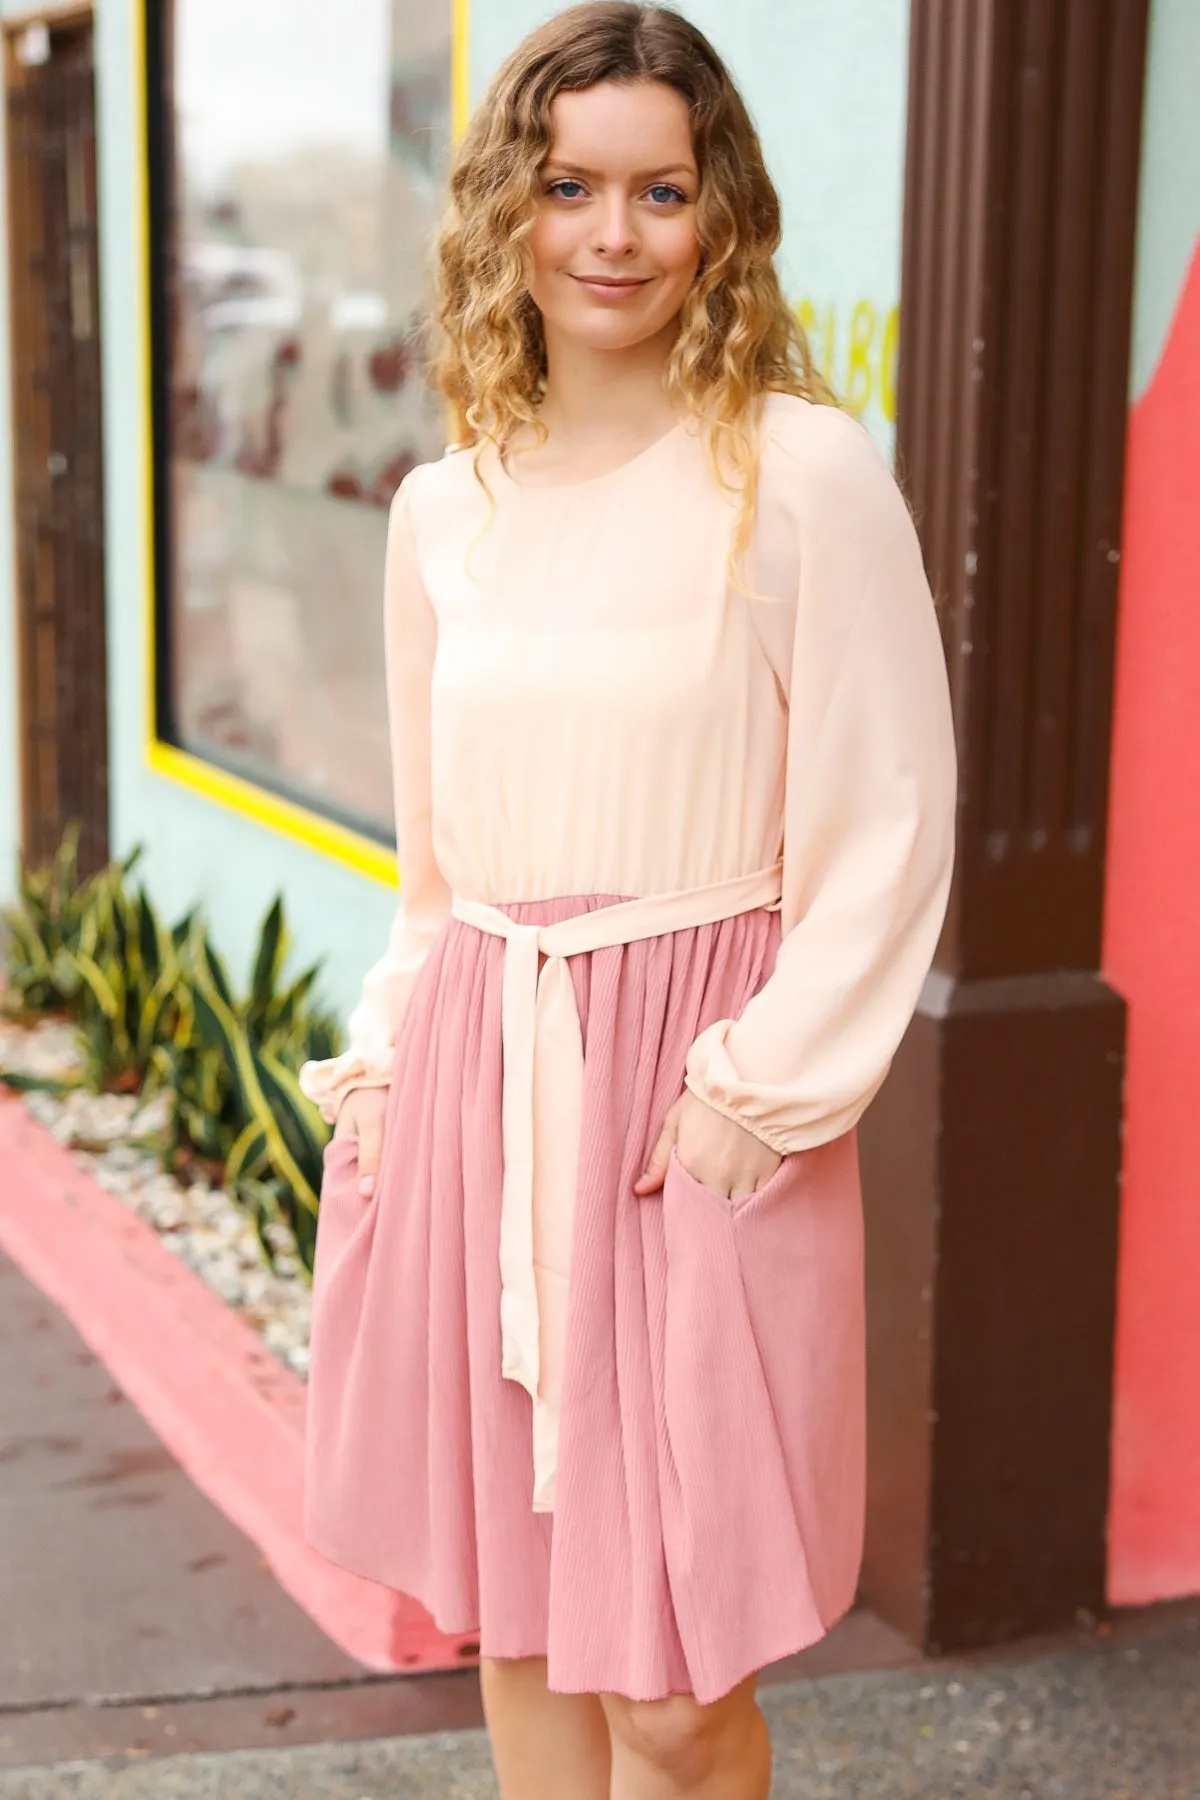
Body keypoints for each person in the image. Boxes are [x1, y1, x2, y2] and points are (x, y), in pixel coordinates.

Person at [298, 4, 957, 1795]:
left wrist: (760, 1099)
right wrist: (380, 1073)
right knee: (526, 1620)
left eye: (660, 190)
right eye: (569, 185)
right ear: (507, 209)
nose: (612, 235)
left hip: (692, 1103)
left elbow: (889, 824)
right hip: (481, 1083)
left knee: (674, 1682)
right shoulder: (443, 513)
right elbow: (437, 873)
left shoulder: (803, 476)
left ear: (718, 212)